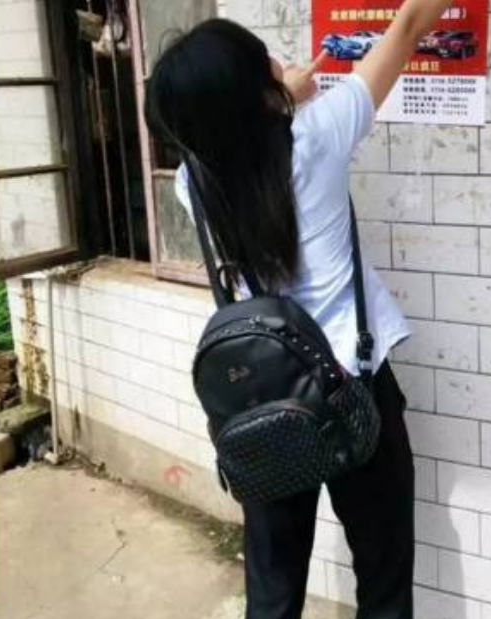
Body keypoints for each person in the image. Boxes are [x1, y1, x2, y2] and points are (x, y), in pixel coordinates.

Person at [145, 2, 453, 617]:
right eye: (262, 56)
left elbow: (236, 143)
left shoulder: (191, 184)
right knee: (385, 584)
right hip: (354, 394)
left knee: (273, 591)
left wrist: (282, 93)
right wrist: (289, 98)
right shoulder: (319, 135)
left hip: (262, 405)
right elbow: (409, 26)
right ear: (254, 86)